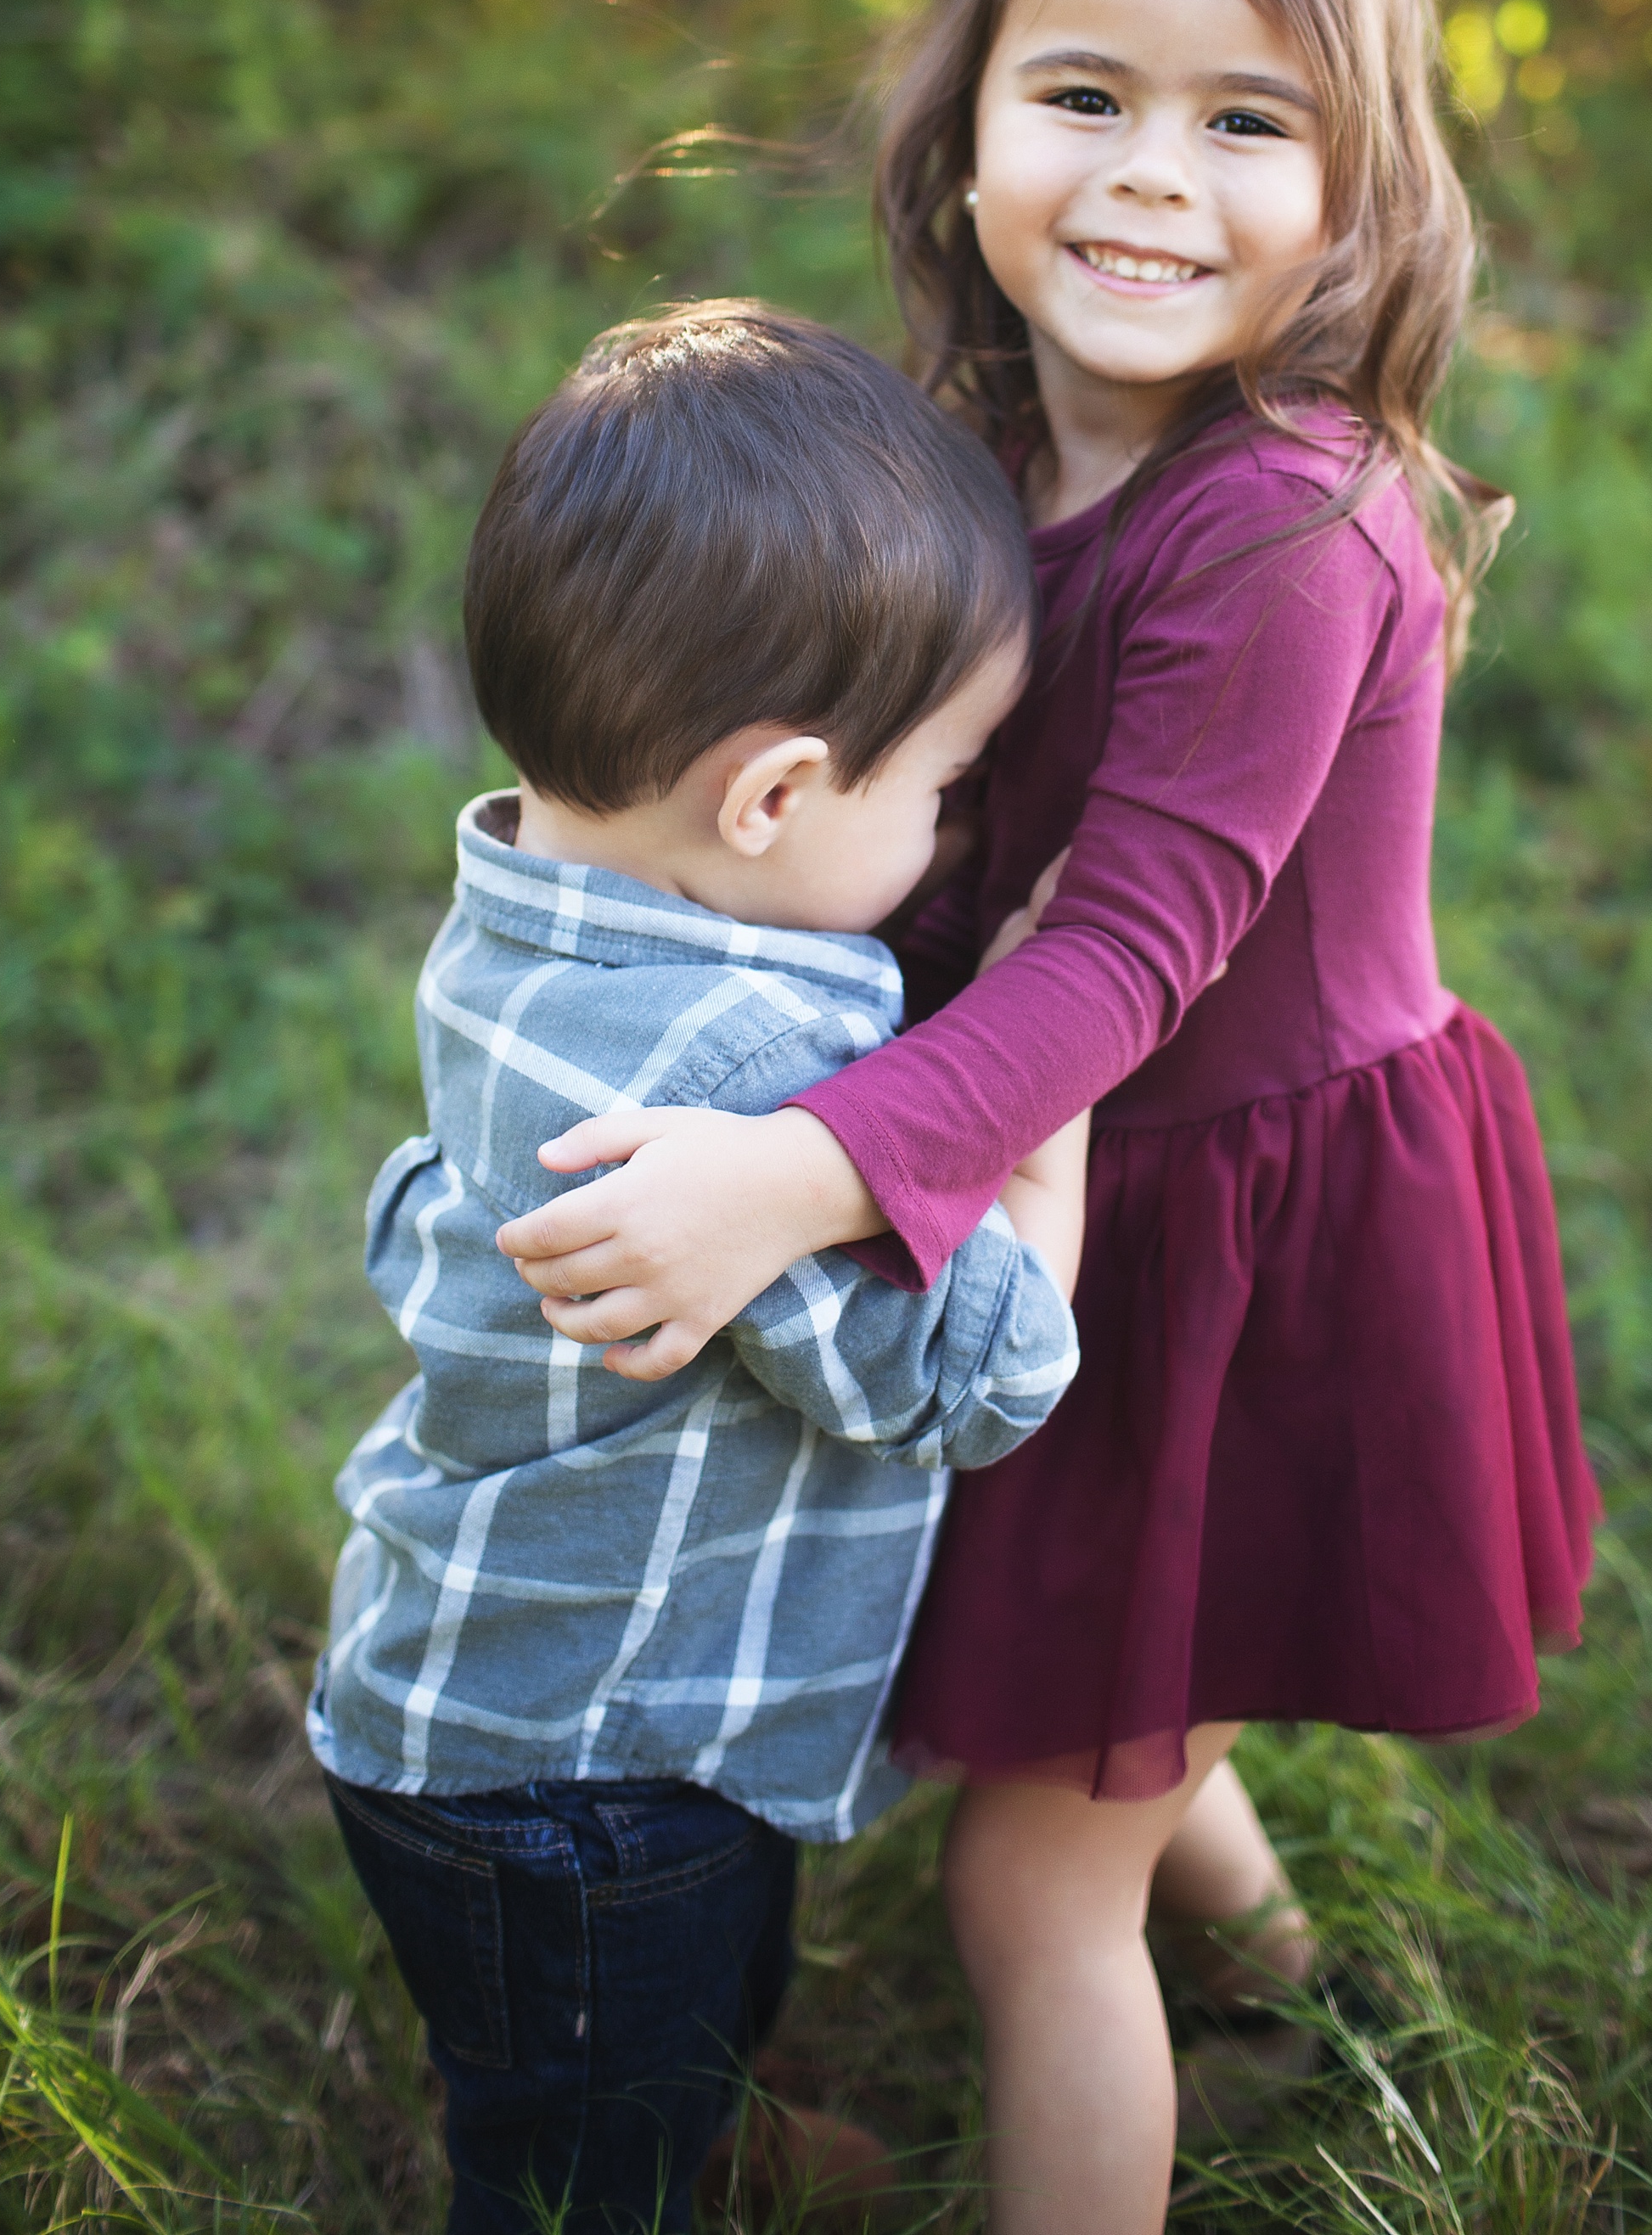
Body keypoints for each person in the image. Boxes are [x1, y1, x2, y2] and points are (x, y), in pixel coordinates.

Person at [497, 0, 1602, 2233]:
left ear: (1357, 187)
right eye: (1083, 94)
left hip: (1257, 1217)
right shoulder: (979, 453)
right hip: (1062, 1162)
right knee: (1111, 1631)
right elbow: (887, 824)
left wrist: (789, 1168)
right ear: (968, 122)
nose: (1147, 176)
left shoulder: (1285, 521)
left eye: (1245, 120)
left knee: (1030, 1874)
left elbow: (1120, 949)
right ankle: (1295, 1964)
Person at [306, 302, 1086, 2235]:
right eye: (943, 787)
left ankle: (694, 2108)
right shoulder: (749, 1093)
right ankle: (632, 2150)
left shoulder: (519, 898)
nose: (953, 833)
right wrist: (1053, 1102)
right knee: (578, 2152)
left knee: (667, 1993)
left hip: (486, 1708)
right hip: (591, 1775)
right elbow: (965, 1376)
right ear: (769, 798)